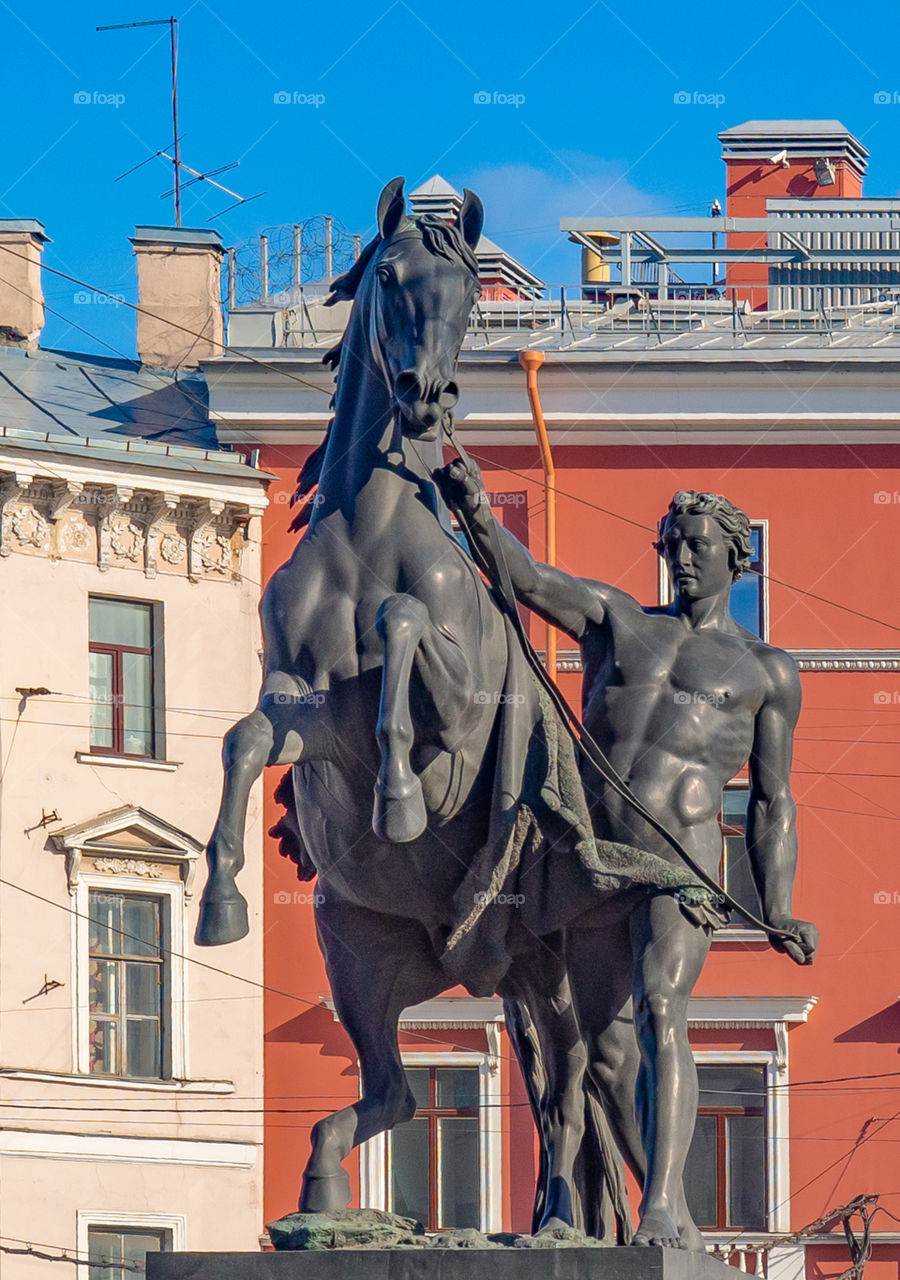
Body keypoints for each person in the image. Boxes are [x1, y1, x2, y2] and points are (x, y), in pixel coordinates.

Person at [439, 462, 818, 1251]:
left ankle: (657, 1210)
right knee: (603, 1056)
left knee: (659, 1010)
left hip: (677, 867)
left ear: (736, 559)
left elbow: (774, 800)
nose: (680, 558)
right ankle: (668, 1206)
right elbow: (530, 579)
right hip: (589, 858)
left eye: (697, 546)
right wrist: (476, 509)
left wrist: (777, 907)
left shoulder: (765, 671)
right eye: (671, 544)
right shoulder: (618, 620)